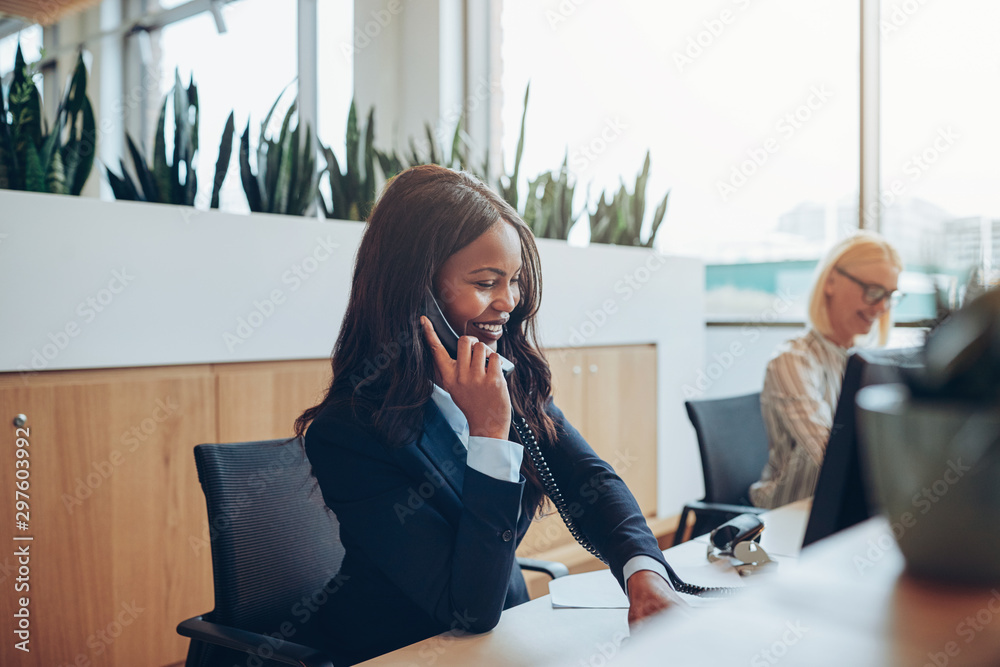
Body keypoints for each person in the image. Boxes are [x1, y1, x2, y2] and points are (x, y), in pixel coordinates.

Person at [296, 164, 682, 664]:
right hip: (403, 652)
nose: (509, 302)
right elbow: (469, 609)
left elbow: (591, 480)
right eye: (485, 282)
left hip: (505, 642)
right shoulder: (348, 432)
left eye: (514, 281)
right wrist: (489, 434)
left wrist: (643, 573)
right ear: (418, 292)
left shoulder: (506, 378)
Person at [749, 231, 903, 509]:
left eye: (890, 295)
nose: (882, 307)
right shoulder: (793, 360)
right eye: (873, 291)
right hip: (791, 513)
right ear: (831, 281)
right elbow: (832, 456)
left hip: (844, 508)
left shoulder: (866, 361)